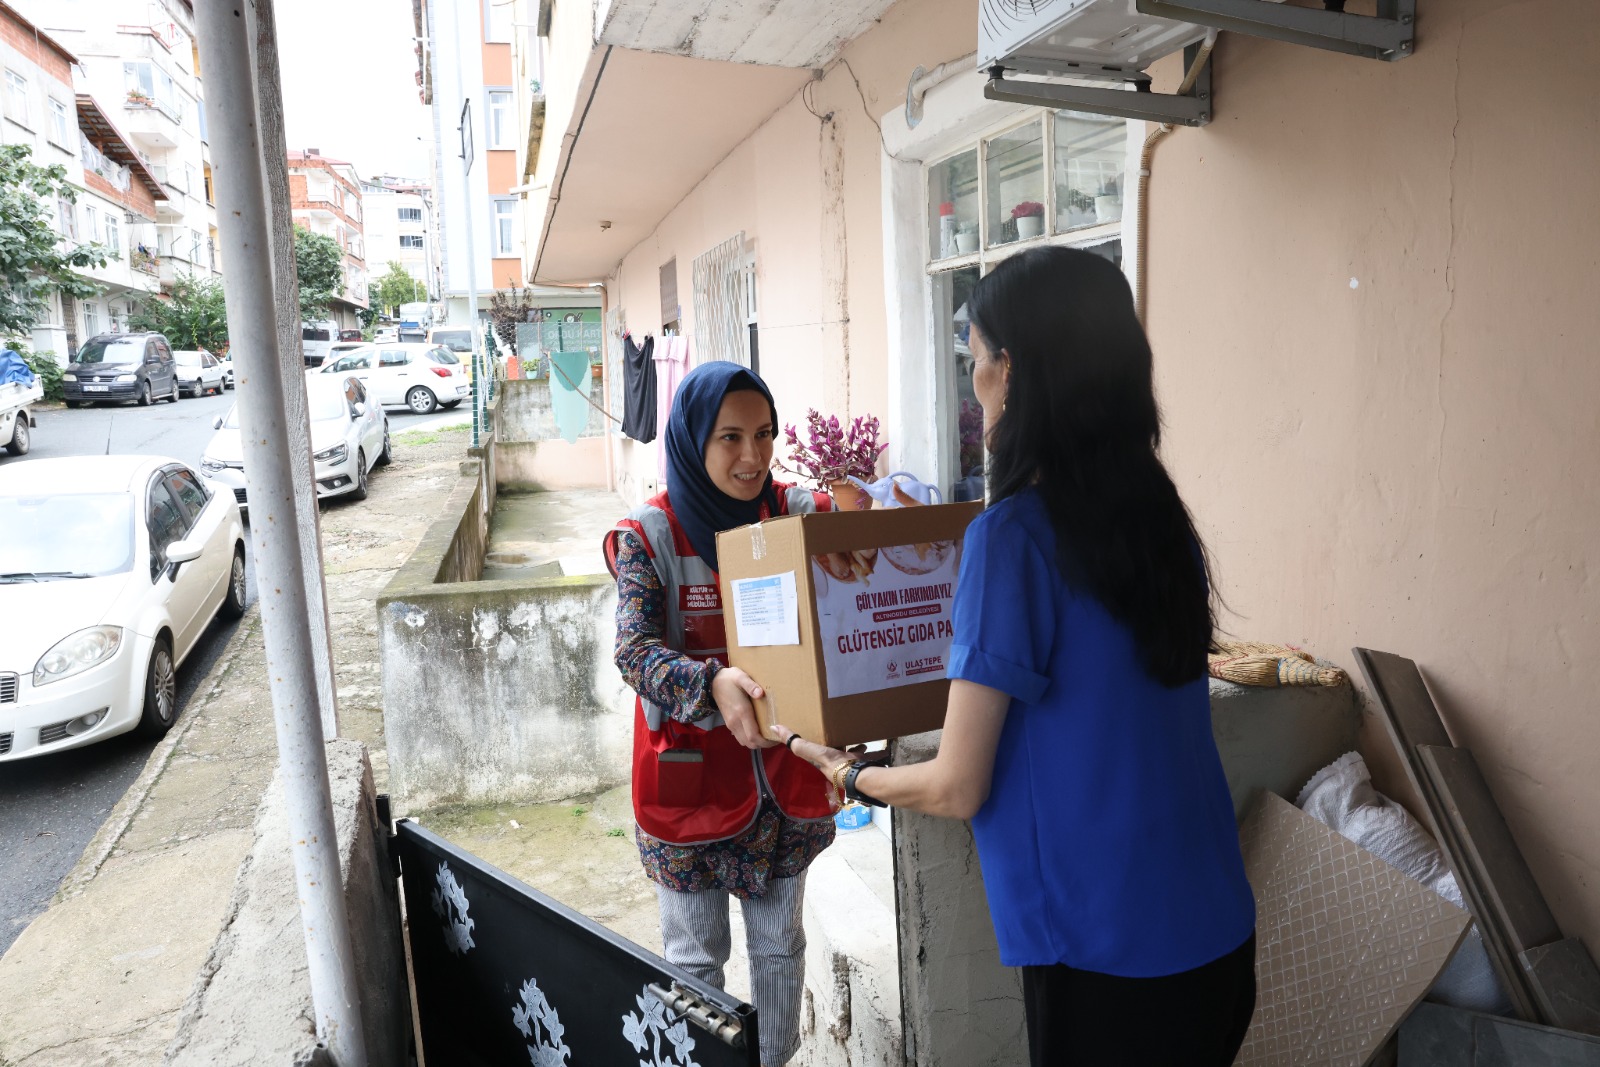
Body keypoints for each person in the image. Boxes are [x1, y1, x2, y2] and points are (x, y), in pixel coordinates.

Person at [778, 246, 1258, 1066]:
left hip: (1107, 960)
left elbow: (958, 783)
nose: (975, 390)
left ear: (1014, 370)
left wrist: (848, 775)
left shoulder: (1012, 538)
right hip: (1217, 935)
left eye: (975, 362)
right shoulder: (1160, 519)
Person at [603, 360, 836, 1067]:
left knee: (779, 947)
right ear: (691, 441)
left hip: (782, 789)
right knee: (694, 961)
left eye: (765, 434)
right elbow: (634, 651)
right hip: (690, 792)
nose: (753, 456)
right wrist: (710, 683)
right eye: (730, 437)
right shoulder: (650, 534)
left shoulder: (792, 514)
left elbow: (866, 534)